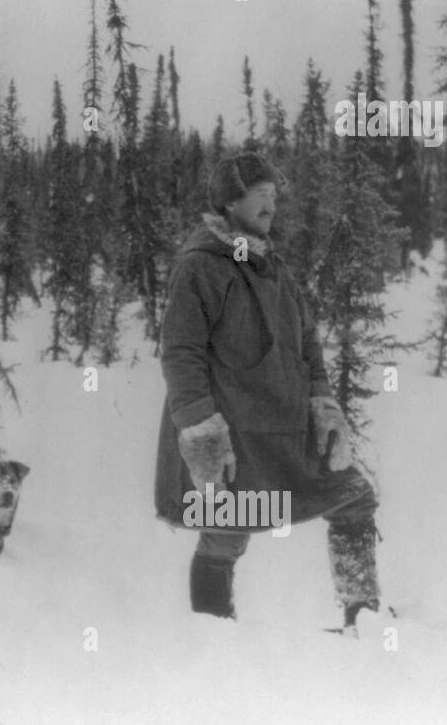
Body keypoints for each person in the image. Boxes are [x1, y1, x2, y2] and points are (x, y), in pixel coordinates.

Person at [154, 153, 381, 633]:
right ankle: (212, 636)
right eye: (261, 194)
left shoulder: (272, 265)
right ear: (230, 200)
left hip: (286, 430)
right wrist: (203, 432)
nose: (271, 204)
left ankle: (363, 613)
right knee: (225, 532)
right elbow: (180, 354)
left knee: (353, 495)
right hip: (235, 437)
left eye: (275, 195)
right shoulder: (199, 268)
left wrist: (323, 406)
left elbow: (309, 344)